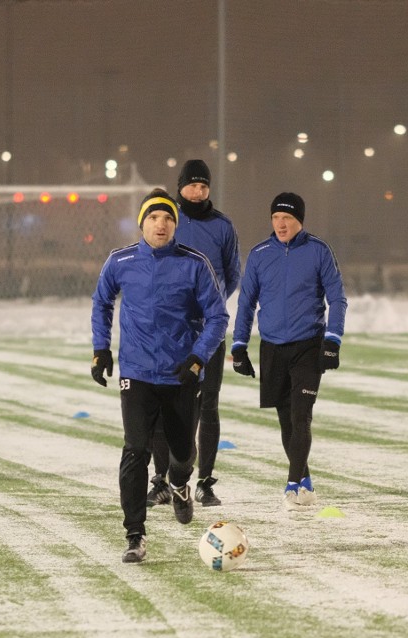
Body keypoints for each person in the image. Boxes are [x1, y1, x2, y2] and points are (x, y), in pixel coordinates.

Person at [91, 188, 229, 563]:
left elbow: (218, 317)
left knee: (183, 454)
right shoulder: (120, 261)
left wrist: (198, 358)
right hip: (136, 373)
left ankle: (181, 483)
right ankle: (135, 535)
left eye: (167, 218)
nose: (161, 224)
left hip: (180, 375)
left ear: (175, 224)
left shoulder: (194, 263)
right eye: (153, 217)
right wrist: (101, 349)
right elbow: (102, 301)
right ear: (142, 223)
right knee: (135, 450)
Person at [231, 192, 347, 511]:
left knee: (301, 415)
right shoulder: (259, 254)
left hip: (308, 344)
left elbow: (337, 299)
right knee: (286, 421)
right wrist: (239, 346)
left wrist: (332, 340)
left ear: (299, 221)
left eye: (288, 219)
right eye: (276, 218)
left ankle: (292, 483)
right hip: (272, 347)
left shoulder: (318, 251)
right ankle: (305, 482)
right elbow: (246, 303)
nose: (281, 224)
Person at [146, 160, 241, 509]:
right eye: (192, 186)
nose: (198, 192)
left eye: (204, 186)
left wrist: (210, 305)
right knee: (162, 404)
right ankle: (161, 481)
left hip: (209, 333)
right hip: (171, 333)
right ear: (180, 186)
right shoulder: (166, 219)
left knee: (208, 405)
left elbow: (232, 273)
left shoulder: (222, 226)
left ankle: (204, 482)